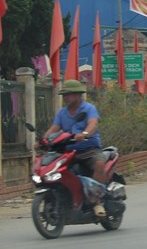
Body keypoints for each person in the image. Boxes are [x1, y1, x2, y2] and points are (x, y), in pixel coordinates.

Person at [42, 79, 107, 217]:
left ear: (78, 95)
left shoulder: (89, 108)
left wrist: (84, 134)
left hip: (89, 149)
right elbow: (55, 128)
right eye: (64, 95)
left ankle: (97, 201)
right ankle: (66, 197)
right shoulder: (62, 112)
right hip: (68, 151)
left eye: (69, 94)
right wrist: (44, 140)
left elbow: (93, 124)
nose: (66, 98)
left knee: (99, 164)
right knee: (55, 170)